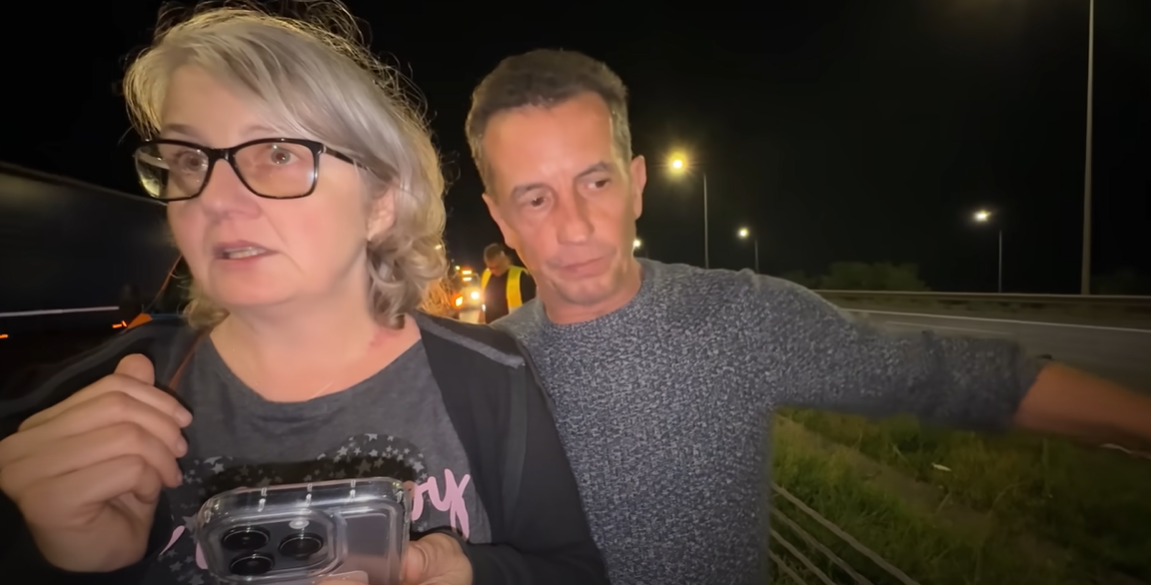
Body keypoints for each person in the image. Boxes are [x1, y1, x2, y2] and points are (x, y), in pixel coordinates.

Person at [464, 48, 1151, 585]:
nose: (575, 225)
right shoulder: (477, 369)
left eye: (595, 180)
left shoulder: (740, 316)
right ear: (501, 220)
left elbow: (948, 375)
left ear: (636, 183)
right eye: (536, 199)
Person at [0, 10, 606, 585]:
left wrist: (475, 574)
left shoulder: (489, 376)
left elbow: (571, 572)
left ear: (381, 202)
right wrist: (72, 558)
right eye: (189, 160)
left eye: (279, 154)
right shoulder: (90, 402)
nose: (215, 198)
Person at [480, 243, 535, 323]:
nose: (494, 271)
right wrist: (482, 313)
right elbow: (484, 300)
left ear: (505, 259)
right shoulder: (486, 275)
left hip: (515, 327)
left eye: (497, 266)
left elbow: (532, 305)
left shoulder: (520, 276)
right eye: (491, 268)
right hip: (492, 327)